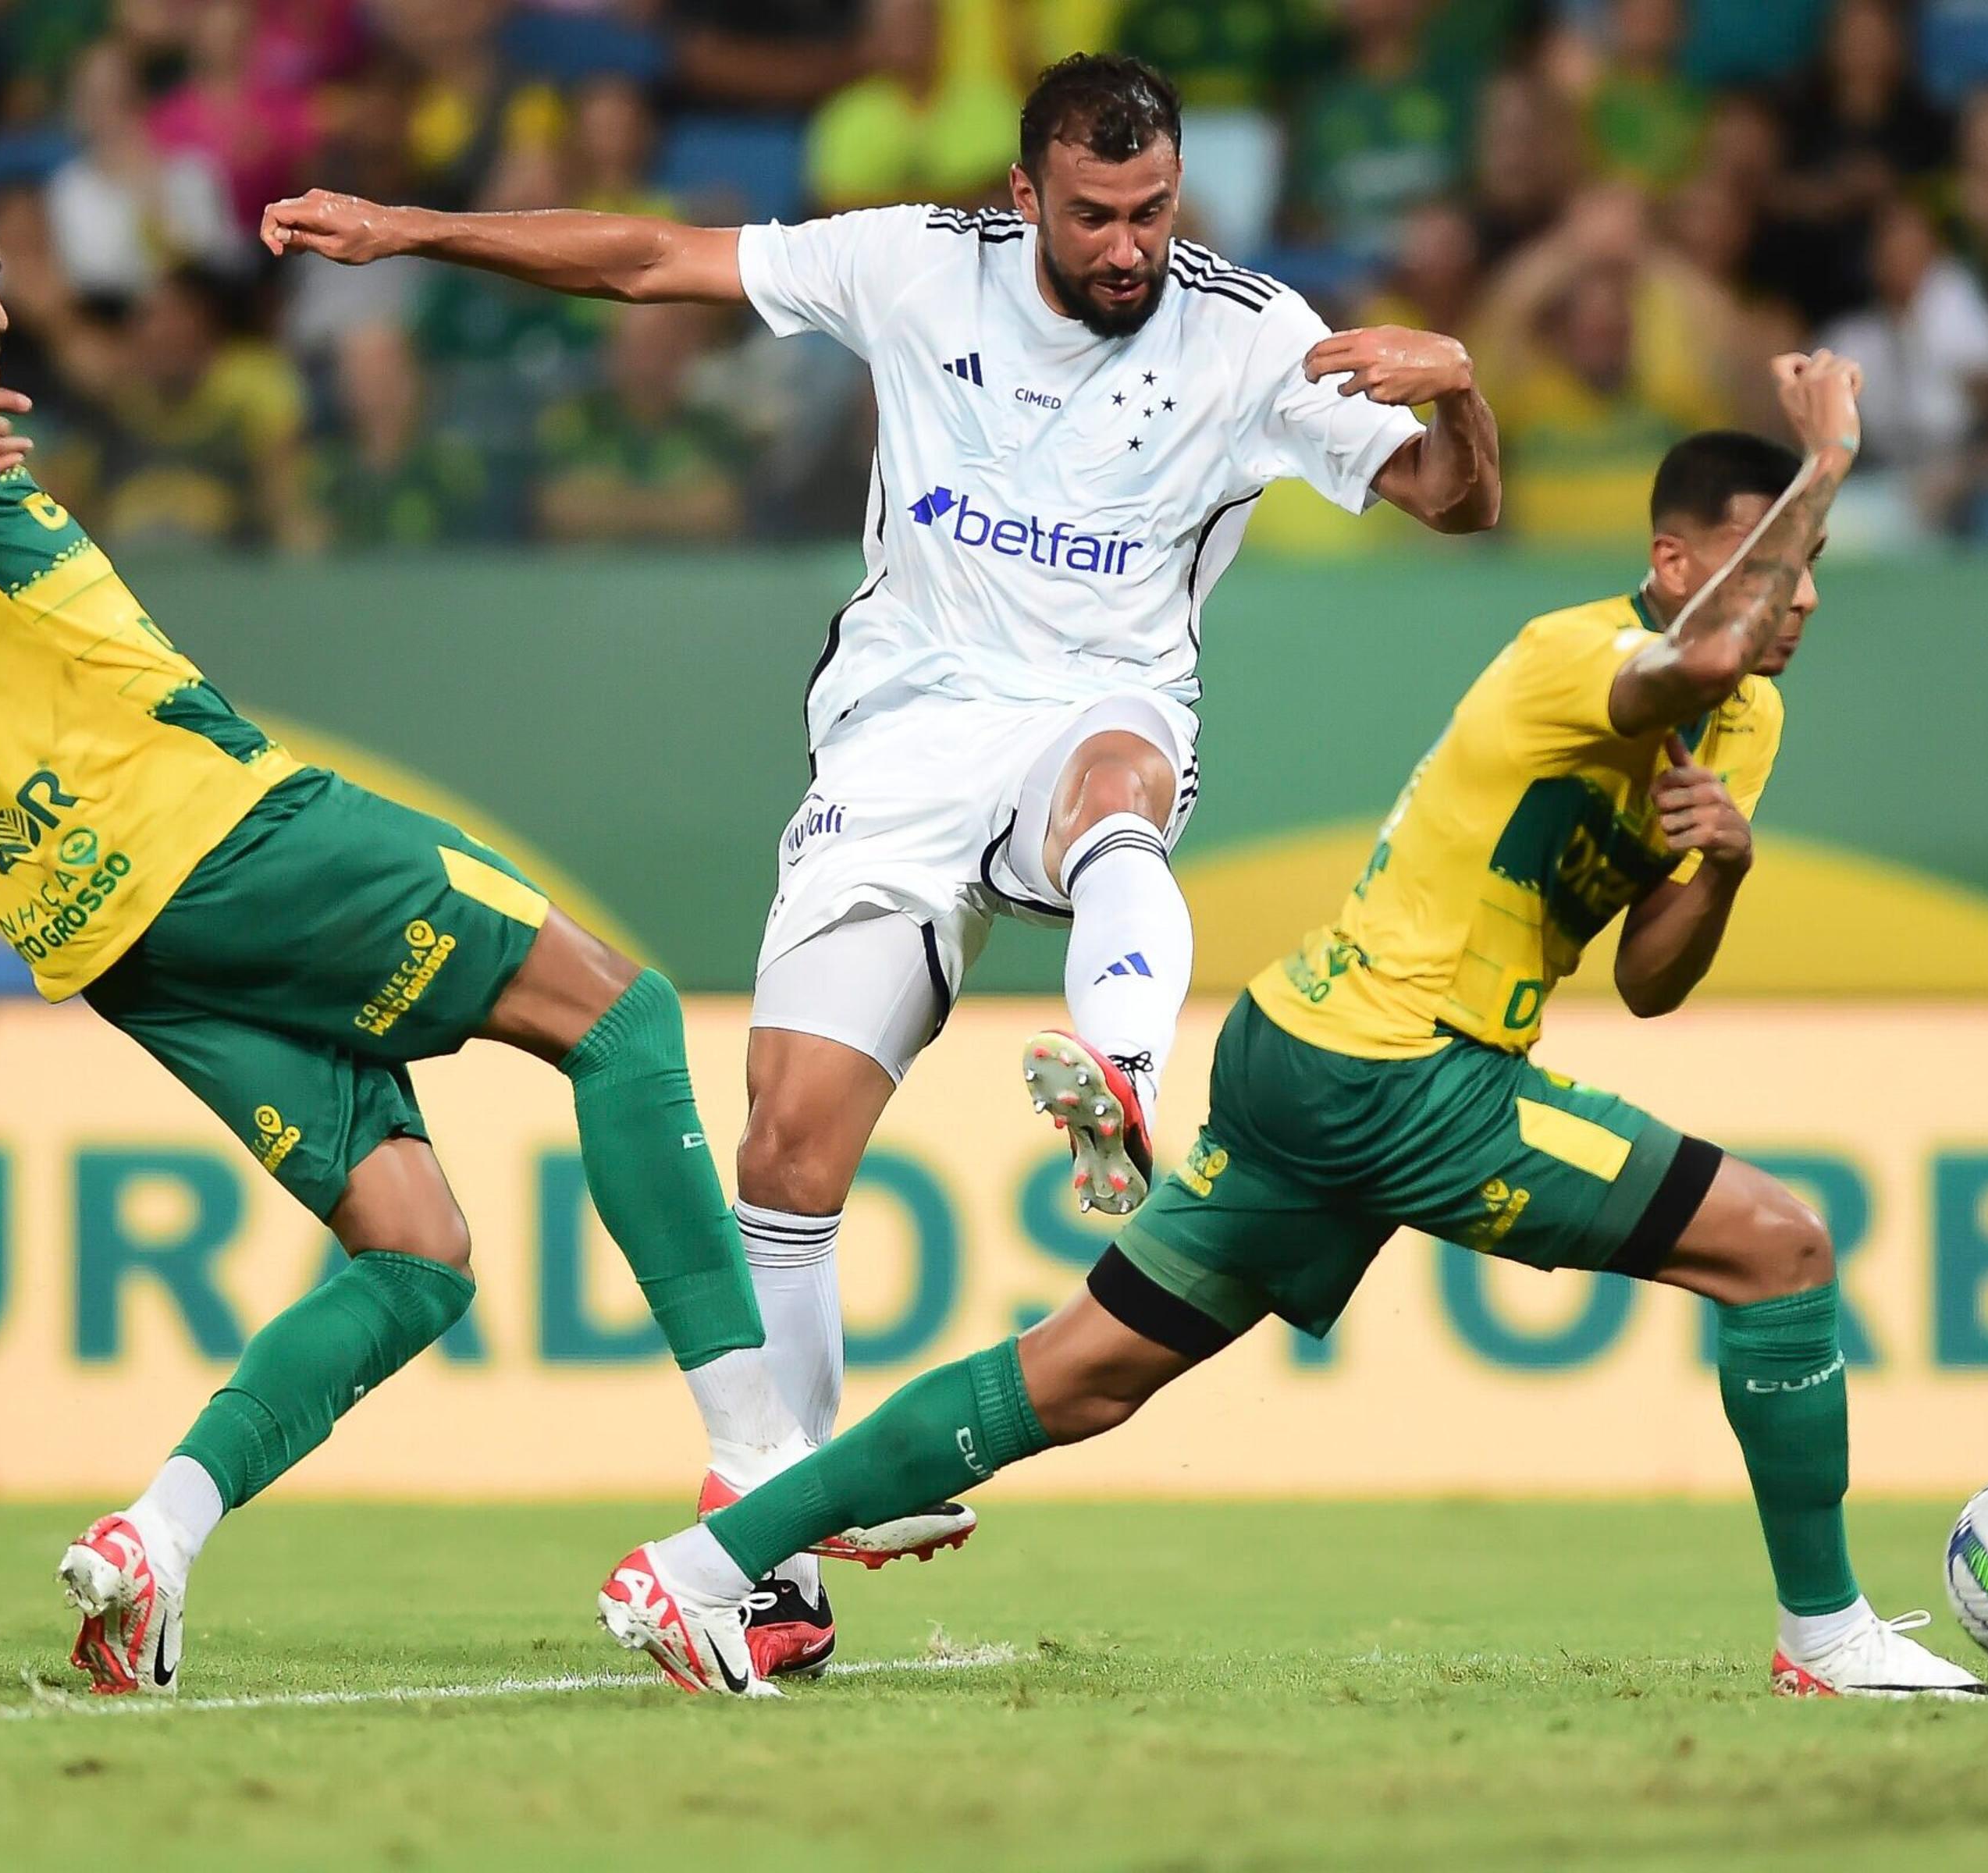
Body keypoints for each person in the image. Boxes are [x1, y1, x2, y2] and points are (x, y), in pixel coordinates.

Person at [0, 146, 809, 1698]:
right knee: (622, 1015)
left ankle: (151, 1545)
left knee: (415, 1255)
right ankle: (762, 1474)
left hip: (101, 930)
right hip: (206, 827)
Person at [262, 52, 1501, 1679]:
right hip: (899, 746)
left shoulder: (1256, 335)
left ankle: (1120, 1077)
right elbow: (650, 261)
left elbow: (1455, 506)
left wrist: (1461, 388)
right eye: (1094, 215)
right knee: (785, 1153)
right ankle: (779, 1557)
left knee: (1120, 795)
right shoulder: (917, 264)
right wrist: (410, 231)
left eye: (1152, 211)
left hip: (1095, 708)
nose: (1129, 247)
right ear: (1024, 197)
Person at [596, 354, 1988, 1706]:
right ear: (1684, 566)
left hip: (1310, 1059)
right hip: (1401, 1069)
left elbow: (1650, 979)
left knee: (1076, 1379)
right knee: (1784, 1251)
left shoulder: (1745, 721)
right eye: (1779, 557)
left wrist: (1723, 866)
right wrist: (1828, 461)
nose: (1808, 592)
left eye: (1815, 560)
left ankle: (703, 1566)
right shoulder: (1581, 658)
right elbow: (1676, 674)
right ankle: (1822, 1635)